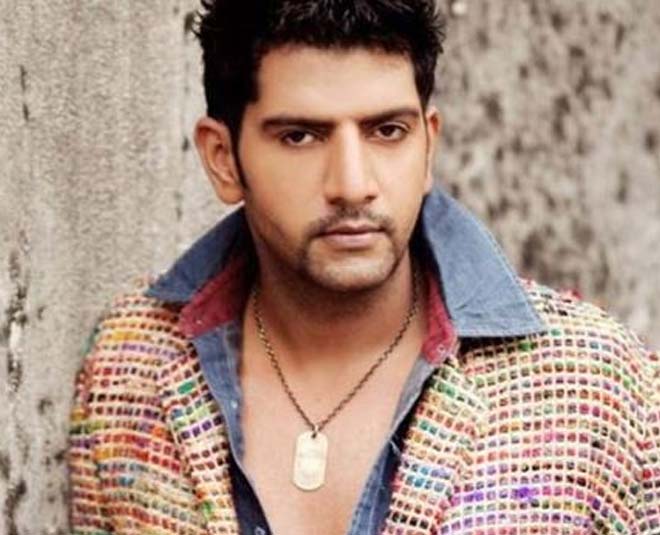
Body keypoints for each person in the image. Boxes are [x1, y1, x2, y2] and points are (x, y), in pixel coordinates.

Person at [68, 1, 660, 534]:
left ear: (428, 145)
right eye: (300, 137)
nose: (352, 185)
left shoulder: (597, 384)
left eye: (387, 131)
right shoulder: (131, 365)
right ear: (223, 160)